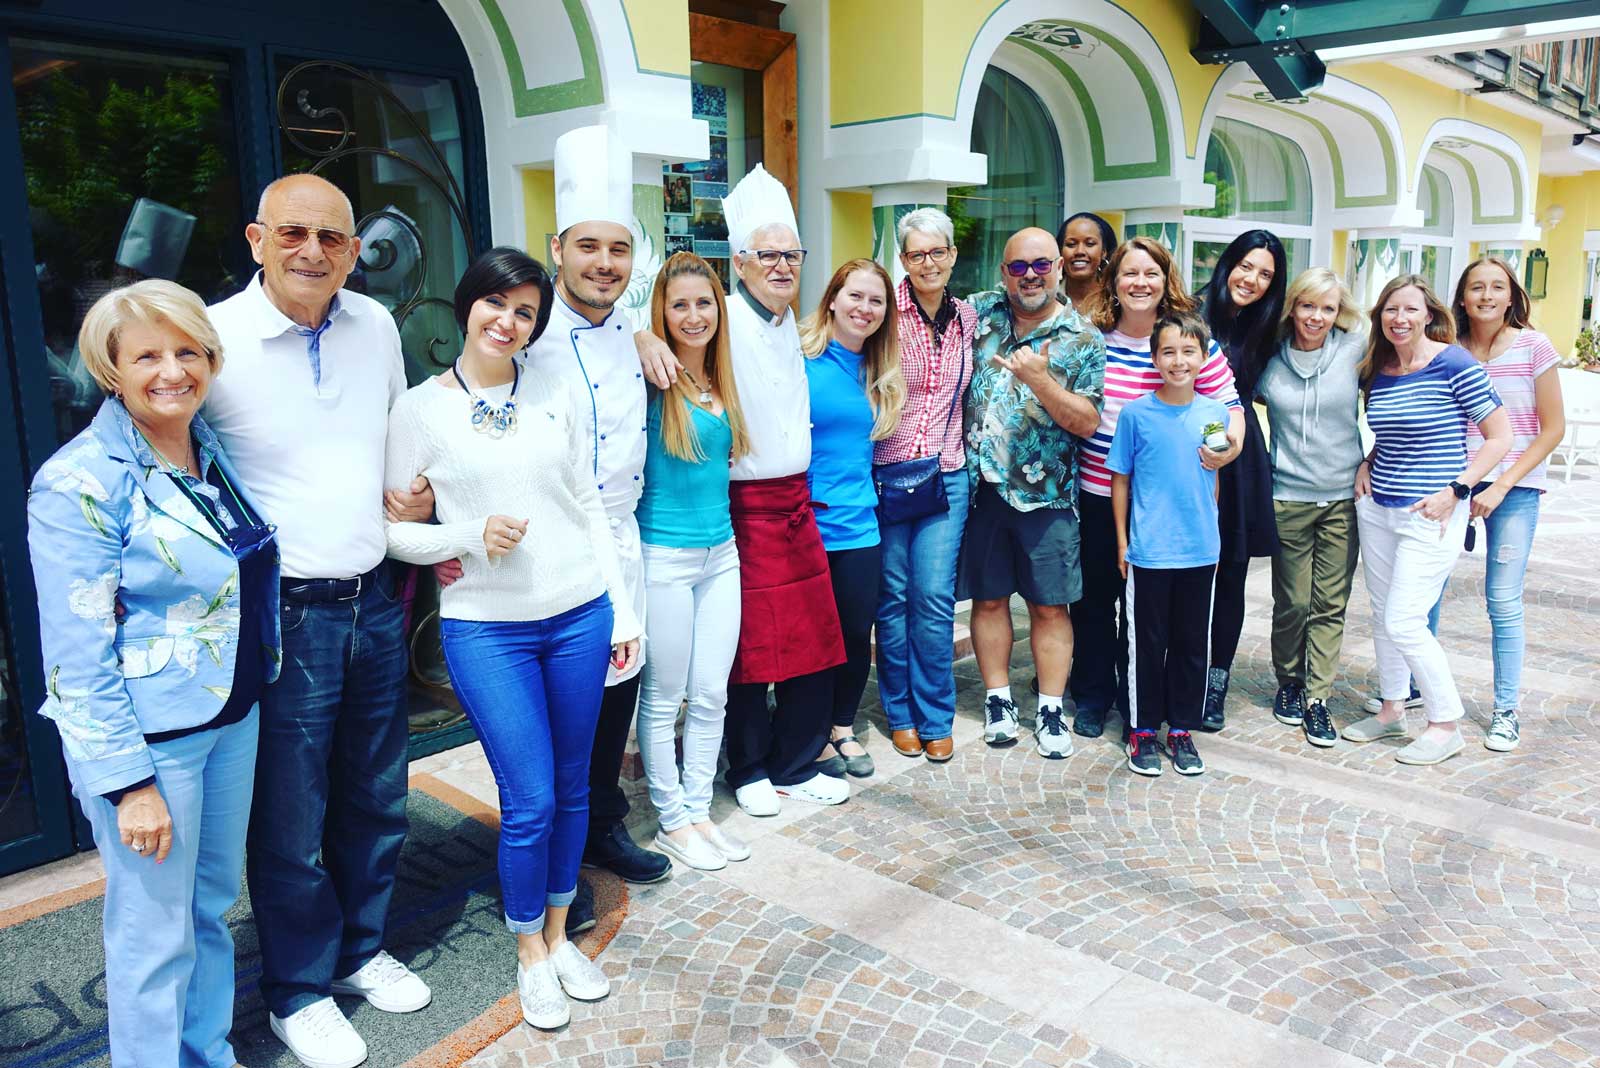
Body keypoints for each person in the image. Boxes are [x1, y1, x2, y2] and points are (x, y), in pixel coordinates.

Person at [205, 173, 432, 1068]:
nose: (312, 251)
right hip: (285, 613)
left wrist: (415, 498)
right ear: (256, 239)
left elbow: (399, 433)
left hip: (375, 596)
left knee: (376, 794)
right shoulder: (212, 337)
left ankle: (359, 952)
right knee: (291, 816)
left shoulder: (374, 325)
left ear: (355, 250)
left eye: (332, 237)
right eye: (293, 233)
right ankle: (297, 991)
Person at [384, 247, 637, 1029]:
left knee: (573, 787)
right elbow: (392, 531)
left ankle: (559, 936)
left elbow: (589, 506)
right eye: (496, 303)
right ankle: (529, 950)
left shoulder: (555, 390)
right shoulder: (418, 409)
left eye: (526, 311)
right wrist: (465, 536)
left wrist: (623, 612)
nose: (508, 321)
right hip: (488, 630)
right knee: (530, 798)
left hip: (580, 615)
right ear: (468, 304)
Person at [28, 280, 279, 1068]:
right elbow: (76, 656)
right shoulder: (80, 480)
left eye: (187, 351)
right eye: (147, 356)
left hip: (231, 717)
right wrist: (129, 784)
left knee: (209, 908)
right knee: (151, 932)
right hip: (152, 746)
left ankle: (207, 1052)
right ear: (112, 370)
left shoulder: (208, 445)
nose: (172, 370)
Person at [434, 127, 672, 912]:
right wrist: (439, 516)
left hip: (618, 537)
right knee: (547, 726)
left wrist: (645, 330)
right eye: (588, 247)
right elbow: (457, 419)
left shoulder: (636, 332)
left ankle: (600, 824)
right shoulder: (524, 332)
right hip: (538, 549)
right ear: (557, 249)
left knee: (613, 698)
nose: (604, 263)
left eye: (618, 250)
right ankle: (539, 853)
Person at [638, 163, 848, 815]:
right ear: (739, 262)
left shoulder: (795, 325)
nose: (782, 266)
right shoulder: (719, 315)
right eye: (768, 255)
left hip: (797, 505)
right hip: (744, 507)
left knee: (814, 639)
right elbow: (646, 322)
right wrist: (641, 335)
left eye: (792, 255)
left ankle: (796, 761)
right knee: (748, 648)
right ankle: (749, 766)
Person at [1073, 238, 1244, 740]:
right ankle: (1094, 694)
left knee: (1149, 616)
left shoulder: (1185, 339)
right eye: (1130, 273)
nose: (1140, 283)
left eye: (1151, 273)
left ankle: (1151, 707)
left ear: (1166, 280)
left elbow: (1229, 407)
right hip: (1099, 491)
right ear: (1114, 281)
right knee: (1095, 602)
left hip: (1165, 503)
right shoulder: (1093, 339)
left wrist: (1228, 448)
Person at [1343, 275, 1511, 765]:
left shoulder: (1454, 363)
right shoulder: (1378, 369)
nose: (1400, 319)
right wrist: (1367, 462)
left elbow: (1500, 437)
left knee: (1405, 620)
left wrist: (1458, 489)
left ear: (1429, 315)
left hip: (1431, 512)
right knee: (1382, 614)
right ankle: (1391, 709)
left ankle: (1445, 724)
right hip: (1378, 508)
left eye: (1410, 309)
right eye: (1391, 309)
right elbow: (1391, 434)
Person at [962, 226, 1105, 760]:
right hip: (981, 490)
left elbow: (1087, 421)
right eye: (1018, 266)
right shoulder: (980, 314)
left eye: (1041, 264)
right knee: (989, 599)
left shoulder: (1083, 337)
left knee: (1050, 607)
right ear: (1003, 272)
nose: (1030, 276)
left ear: (1059, 268)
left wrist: (1041, 381)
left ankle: (1049, 709)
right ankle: (998, 701)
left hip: (1048, 496)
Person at [635, 252, 752, 871]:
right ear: (661, 311)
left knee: (711, 693)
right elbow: (589, 346)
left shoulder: (723, 381)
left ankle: (699, 811)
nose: (693, 315)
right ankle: (671, 821)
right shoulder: (649, 378)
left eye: (704, 302)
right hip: (663, 557)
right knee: (665, 696)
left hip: (722, 555)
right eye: (678, 304)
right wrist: (638, 335)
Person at [1450, 257, 1566, 752]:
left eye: (1497, 287)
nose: (1487, 295)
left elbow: (1553, 428)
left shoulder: (1534, 346)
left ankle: (1505, 710)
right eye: (1477, 287)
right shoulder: (1449, 348)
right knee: (1426, 590)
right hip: (1455, 485)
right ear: (1462, 297)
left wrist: (1501, 485)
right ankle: (1412, 687)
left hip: (1514, 490)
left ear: (1512, 296)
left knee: (1502, 599)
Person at [875, 207, 976, 763]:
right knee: (892, 598)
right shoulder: (883, 312)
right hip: (888, 474)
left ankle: (936, 714)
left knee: (933, 598)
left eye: (937, 252)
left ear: (953, 255)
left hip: (946, 474)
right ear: (904, 260)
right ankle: (900, 714)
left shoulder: (969, 318)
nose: (928, 263)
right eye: (917, 254)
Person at [1108, 311, 1229, 776]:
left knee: (1192, 642)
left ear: (1203, 357)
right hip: (1150, 551)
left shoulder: (1215, 414)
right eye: (1169, 352)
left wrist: (1210, 530)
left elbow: (1212, 475)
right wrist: (1122, 541)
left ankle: (1181, 729)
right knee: (1145, 643)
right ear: (1155, 358)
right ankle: (1141, 729)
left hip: (1200, 550)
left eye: (1189, 351)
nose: (1179, 361)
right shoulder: (1136, 415)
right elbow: (1121, 480)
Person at [799, 258, 905, 777]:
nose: (864, 308)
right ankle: (810, 733)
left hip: (861, 524)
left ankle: (842, 726)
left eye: (876, 300)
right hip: (807, 525)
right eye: (855, 296)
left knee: (855, 632)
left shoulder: (880, 372)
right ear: (833, 299)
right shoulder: (800, 359)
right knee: (810, 638)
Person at [1255, 268, 1366, 747]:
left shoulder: (1356, 350)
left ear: (1339, 313)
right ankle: (1290, 681)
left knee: (1329, 604)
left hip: (1342, 498)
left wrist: (1373, 459)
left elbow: (1392, 398)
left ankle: (1317, 698)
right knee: (1293, 602)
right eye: (1308, 306)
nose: (1316, 317)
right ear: (1293, 308)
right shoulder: (1269, 358)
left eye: (1327, 308)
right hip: (1287, 498)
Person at [1197, 230, 1285, 731]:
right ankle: (1177, 672)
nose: (1252, 280)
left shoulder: (1268, 327)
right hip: (1187, 448)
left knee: (1230, 574)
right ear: (1228, 263)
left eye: (1265, 274)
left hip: (1240, 453)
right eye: (1246, 266)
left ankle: (1217, 680)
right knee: (1183, 570)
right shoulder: (1190, 312)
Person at [1056, 212, 1117, 312]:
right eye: (1071, 244)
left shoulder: (1117, 300)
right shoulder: (1047, 296)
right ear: (1060, 251)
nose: (1080, 251)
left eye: (1090, 244)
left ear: (1103, 252)